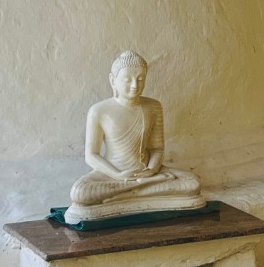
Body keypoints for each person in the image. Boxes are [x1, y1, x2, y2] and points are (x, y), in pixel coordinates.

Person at [65, 50, 206, 222]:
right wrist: (117, 175)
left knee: (192, 182)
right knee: (80, 192)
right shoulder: (99, 111)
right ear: (112, 80)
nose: (134, 85)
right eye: (128, 79)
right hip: (112, 174)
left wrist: (151, 170)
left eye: (140, 79)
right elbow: (91, 155)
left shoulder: (153, 107)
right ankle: (140, 188)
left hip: (147, 172)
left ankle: (126, 192)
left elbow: (156, 148)